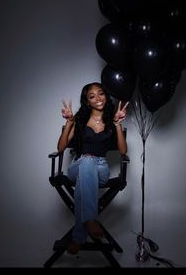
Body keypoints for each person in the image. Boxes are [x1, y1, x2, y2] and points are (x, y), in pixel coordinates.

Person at [57, 82, 129, 254]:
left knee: (83, 185)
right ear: (87, 102)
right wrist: (69, 122)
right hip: (79, 164)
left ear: (106, 96)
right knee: (86, 163)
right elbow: (60, 148)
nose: (98, 98)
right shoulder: (79, 120)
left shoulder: (112, 121)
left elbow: (123, 151)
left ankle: (78, 237)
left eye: (101, 93)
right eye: (92, 96)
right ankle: (90, 219)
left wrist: (118, 124)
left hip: (101, 169)